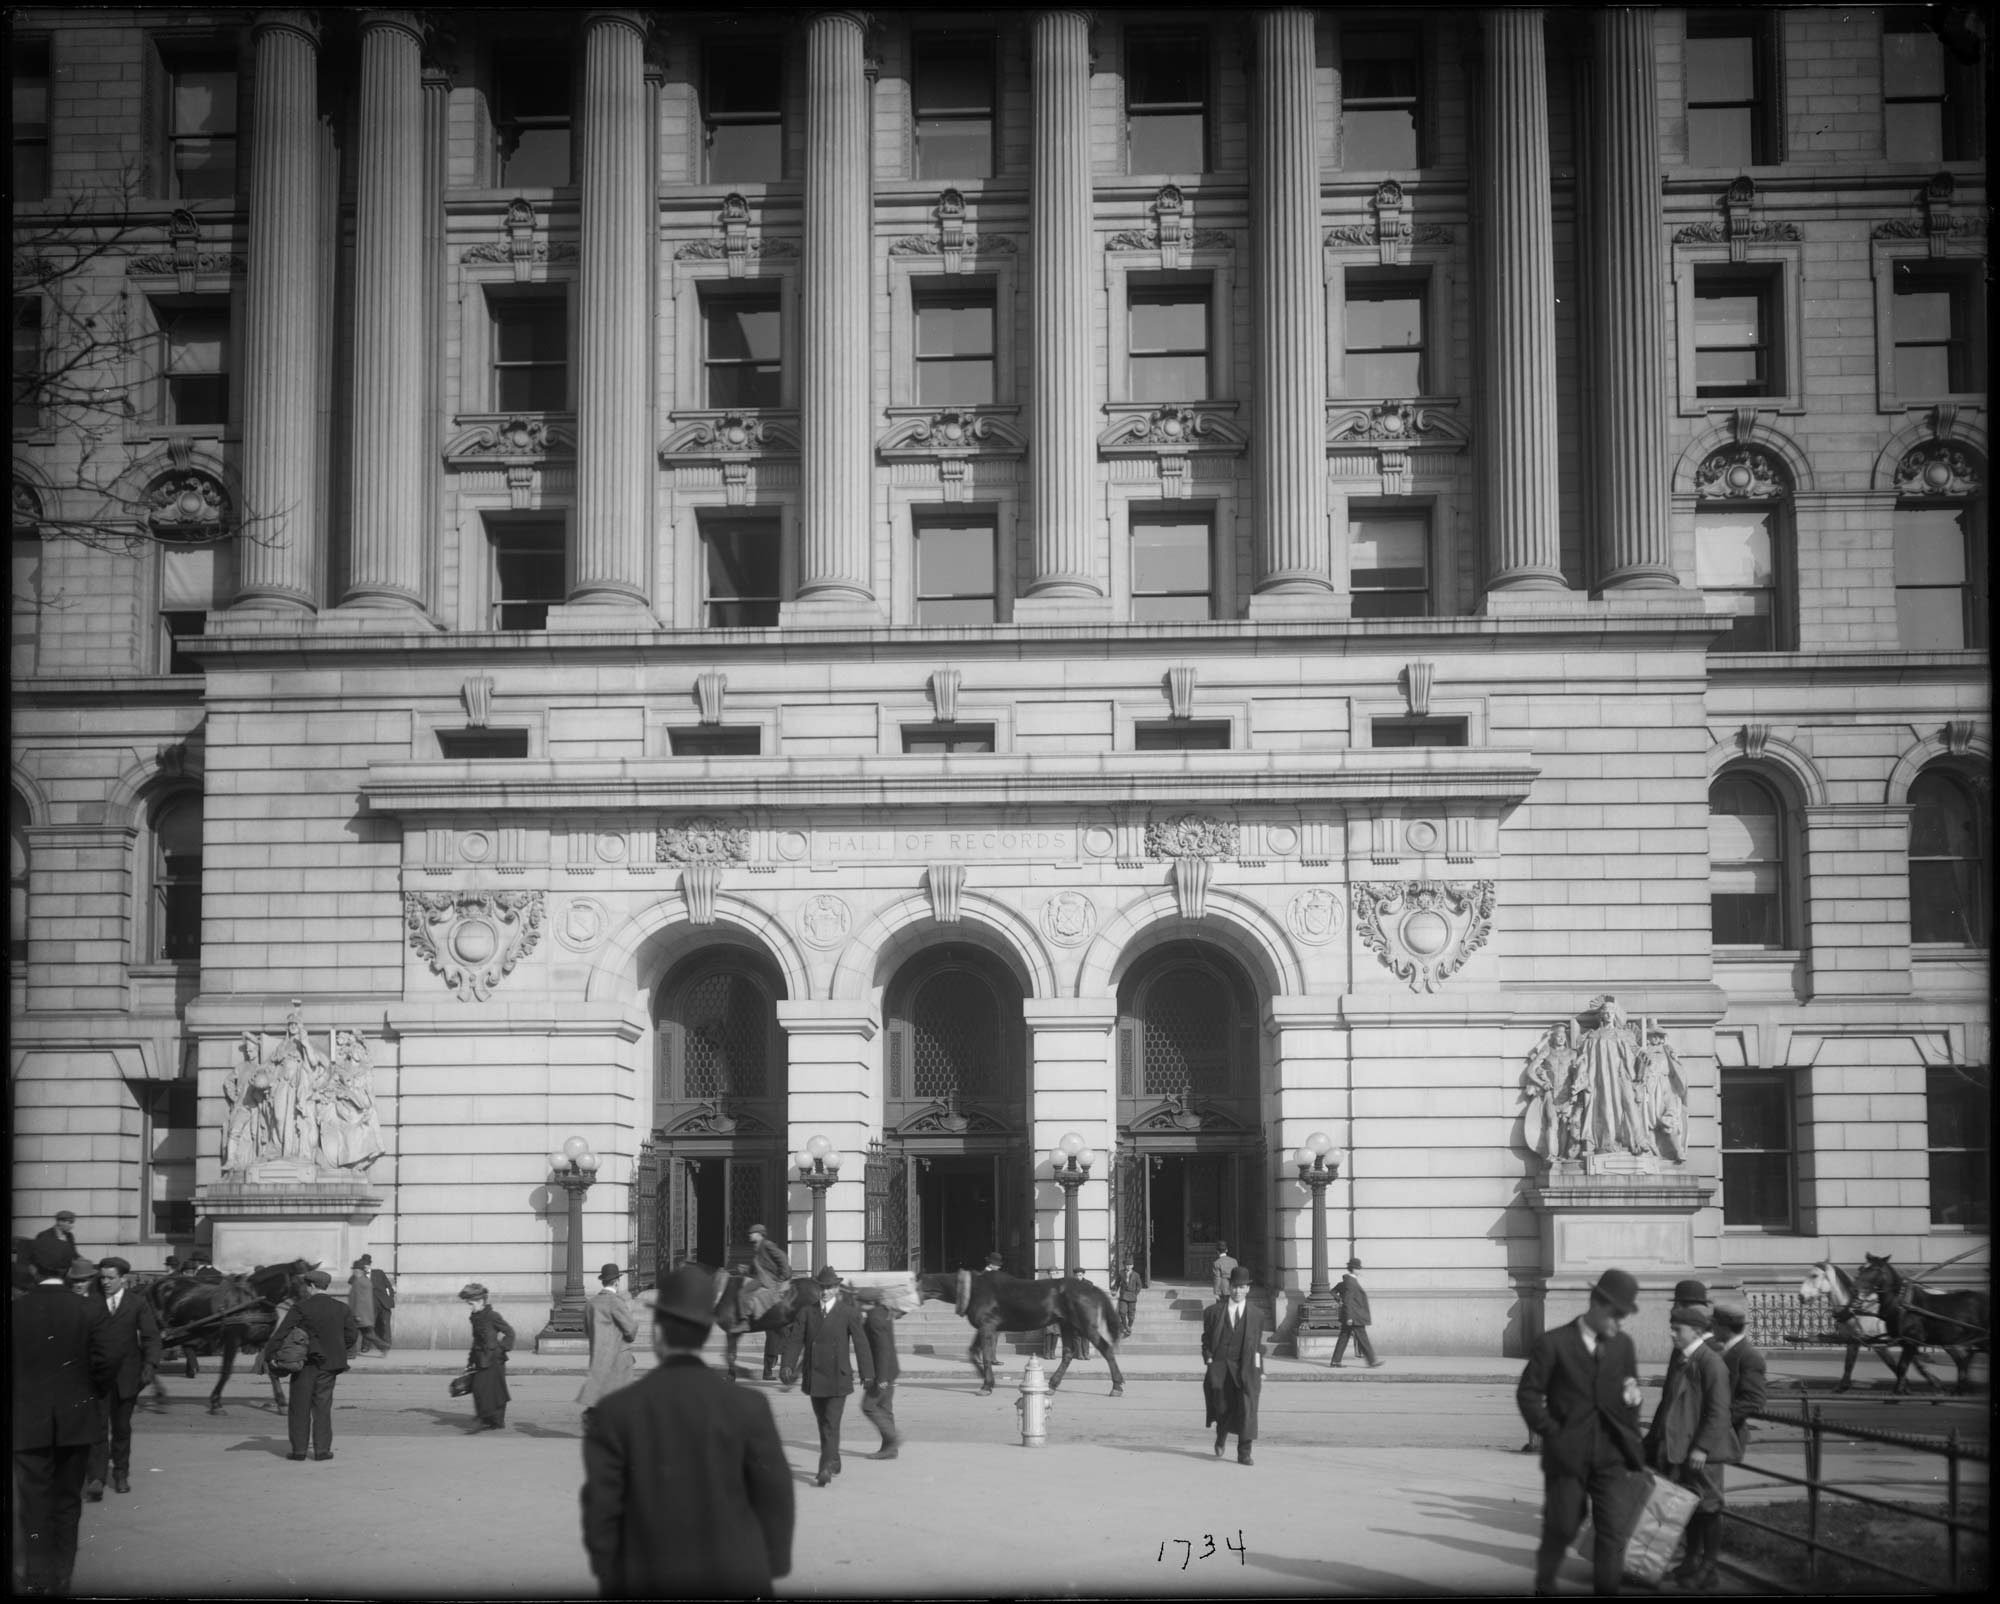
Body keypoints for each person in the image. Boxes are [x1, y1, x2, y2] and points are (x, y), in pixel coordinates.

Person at [580, 1262, 794, 1598]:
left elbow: (600, 1515)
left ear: (660, 1335)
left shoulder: (614, 1413)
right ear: (707, 1331)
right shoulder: (750, 1407)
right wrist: (768, 1566)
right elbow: (776, 1498)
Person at [1516, 1267, 1647, 1597]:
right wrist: (1551, 1431)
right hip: (1567, 1455)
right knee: (1562, 1527)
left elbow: (1631, 1391)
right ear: (1598, 1305)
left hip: (1612, 1455)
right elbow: (1529, 1394)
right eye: (1617, 1314)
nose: (1620, 1323)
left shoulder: (1623, 1346)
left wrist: (1631, 1421)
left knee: (1613, 1532)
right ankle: (1545, 1583)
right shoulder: (1554, 1343)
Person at [14, 1237, 113, 1597]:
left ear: (33, 1269)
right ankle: (61, 1579)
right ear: (68, 1271)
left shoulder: (18, 1309)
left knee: (33, 1503)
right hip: (76, 1419)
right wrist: (89, 1396)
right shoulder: (89, 1309)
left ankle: (36, 1578)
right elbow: (106, 1362)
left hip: (28, 1421)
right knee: (68, 1503)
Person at [1645, 1303, 1734, 1592]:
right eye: (1671, 1328)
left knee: (1709, 1508)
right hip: (1682, 1449)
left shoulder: (1710, 1362)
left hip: (1701, 1453)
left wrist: (1702, 1448)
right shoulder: (1686, 1358)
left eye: (1677, 1329)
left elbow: (1718, 1412)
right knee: (1692, 1508)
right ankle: (1691, 1562)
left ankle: (1709, 1569)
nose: (1672, 1334)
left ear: (1695, 1331)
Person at [84, 1257, 161, 1500]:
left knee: (121, 1428)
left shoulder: (137, 1303)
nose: (105, 1282)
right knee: (96, 1429)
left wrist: (150, 1364)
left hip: (127, 1377)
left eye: (110, 1278)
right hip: (95, 1378)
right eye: (102, 1278)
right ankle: (95, 1478)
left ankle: (120, 1473)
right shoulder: (90, 1302)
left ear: (123, 1279)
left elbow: (150, 1336)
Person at [265, 1267, 359, 1462]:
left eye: (307, 1286)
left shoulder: (301, 1307)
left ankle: (299, 1451)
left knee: (299, 1406)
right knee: (323, 1407)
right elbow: (351, 1335)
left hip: (304, 1364)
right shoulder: (341, 1308)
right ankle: (322, 1451)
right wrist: (338, 1348)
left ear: (312, 1286)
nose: (306, 1289)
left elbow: (282, 1332)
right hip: (330, 1365)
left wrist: (271, 1354)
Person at [797, 1265, 874, 1486]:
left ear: (837, 1289)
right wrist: (787, 1365)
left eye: (829, 1288)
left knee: (831, 1422)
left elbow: (861, 1343)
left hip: (838, 1376)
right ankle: (834, 1457)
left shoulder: (848, 1313)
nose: (825, 1292)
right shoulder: (807, 1312)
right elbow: (795, 1340)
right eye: (822, 1287)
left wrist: (867, 1373)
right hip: (814, 1376)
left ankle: (824, 1467)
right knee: (823, 1422)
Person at [1200, 1265, 1265, 1466]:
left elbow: (1257, 1346)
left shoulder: (1257, 1315)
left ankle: (1244, 1453)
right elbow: (1206, 1339)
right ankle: (1221, 1435)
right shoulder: (1213, 1312)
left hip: (1245, 1369)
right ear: (1229, 1287)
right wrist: (1208, 1357)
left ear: (1248, 1289)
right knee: (1222, 1408)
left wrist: (1260, 1369)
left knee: (1248, 1409)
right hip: (1220, 1369)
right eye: (1235, 1286)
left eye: (1242, 1287)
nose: (1238, 1291)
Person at [578, 1263, 639, 1432]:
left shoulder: (591, 1303)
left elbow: (587, 1330)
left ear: (603, 1282)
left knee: (602, 1389)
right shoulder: (616, 1302)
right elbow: (630, 1330)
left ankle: (595, 1416)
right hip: (619, 1356)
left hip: (598, 1354)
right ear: (617, 1282)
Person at [1711, 1302, 1768, 1460]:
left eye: (1714, 1324)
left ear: (1725, 1327)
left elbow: (1754, 1399)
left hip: (1729, 1435)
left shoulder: (1748, 1355)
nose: (1711, 1329)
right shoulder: (1726, 1351)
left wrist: (1719, 1419)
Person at [461, 1283, 516, 1430]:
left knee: (494, 1390)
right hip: (481, 1358)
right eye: (469, 1304)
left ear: (480, 1301)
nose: (470, 1307)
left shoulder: (492, 1316)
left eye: (471, 1304)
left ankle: (491, 1420)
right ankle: (488, 1419)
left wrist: (502, 1349)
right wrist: (470, 1360)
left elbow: (510, 1332)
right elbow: (476, 1340)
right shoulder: (475, 1317)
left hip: (495, 1359)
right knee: (479, 1388)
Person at [857, 1295, 903, 1460]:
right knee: (884, 1409)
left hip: (882, 1372)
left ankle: (893, 1438)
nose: (858, 1303)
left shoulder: (874, 1319)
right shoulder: (882, 1313)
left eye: (860, 1301)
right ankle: (890, 1449)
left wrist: (881, 1378)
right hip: (891, 1369)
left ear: (869, 1302)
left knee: (868, 1406)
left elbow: (882, 1349)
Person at [1330, 1258, 1383, 1368]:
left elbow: (1333, 1292)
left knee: (1344, 1338)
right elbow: (1348, 1300)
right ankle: (1372, 1361)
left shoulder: (1346, 1281)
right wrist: (1349, 1317)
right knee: (1363, 1339)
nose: (1360, 1271)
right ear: (1353, 1269)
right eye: (1358, 1268)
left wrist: (1339, 1299)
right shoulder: (1351, 1282)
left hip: (1351, 1315)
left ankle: (1335, 1361)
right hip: (1354, 1316)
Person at [743, 1225, 793, 1328]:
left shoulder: (767, 1244)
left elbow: (782, 1257)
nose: (750, 1235)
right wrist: (746, 1269)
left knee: (748, 1293)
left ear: (759, 1234)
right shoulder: (757, 1246)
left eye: (752, 1233)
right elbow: (759, 1266)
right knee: (743, 1291)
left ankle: (748, 1321)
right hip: (762, 1278)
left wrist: (783, 1277)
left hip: (771, 1280)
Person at [347, 1258, 387, 1356]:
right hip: (365, 1314)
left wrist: (357, 1314)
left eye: (355, 1270)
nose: (353, 1272)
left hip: (359, 1314)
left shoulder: (359, 1282)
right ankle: (383, 1346)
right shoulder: (364, 1281)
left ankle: (351, 1352)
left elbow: (360, 1300)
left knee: (351, 1332)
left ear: (359, 1271)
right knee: (368, 1334)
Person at [365, 1255, 396, 1350]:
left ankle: (387, 1345)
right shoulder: (360, 1276)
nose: (365, 1267)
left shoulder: (378, 1273)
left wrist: (389, 1298)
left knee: (385, 1325)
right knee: (369, 1325)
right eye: (364, 1265)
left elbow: (389, 1286)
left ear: (370, 1264)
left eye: (367, 1264)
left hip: (384, 1304)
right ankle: (366, 1346)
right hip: (370, 1305)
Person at [1114, 1256, 1142, 1340]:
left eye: (1130, 1265)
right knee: (1122, 1312)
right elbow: (1117, 1283)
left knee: (1131, 1315)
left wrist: (1135, 1294)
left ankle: (1129, 1326)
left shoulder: (1136, 1275)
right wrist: (1115, 1290)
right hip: (1123, 1296)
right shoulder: (1121, 1273)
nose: (1128, 1266)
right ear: (1124, 1265)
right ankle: (1126, 1327)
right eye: (1126, 1265)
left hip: (1132, 1297)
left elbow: (1139, 1286)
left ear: (1132, 1266)